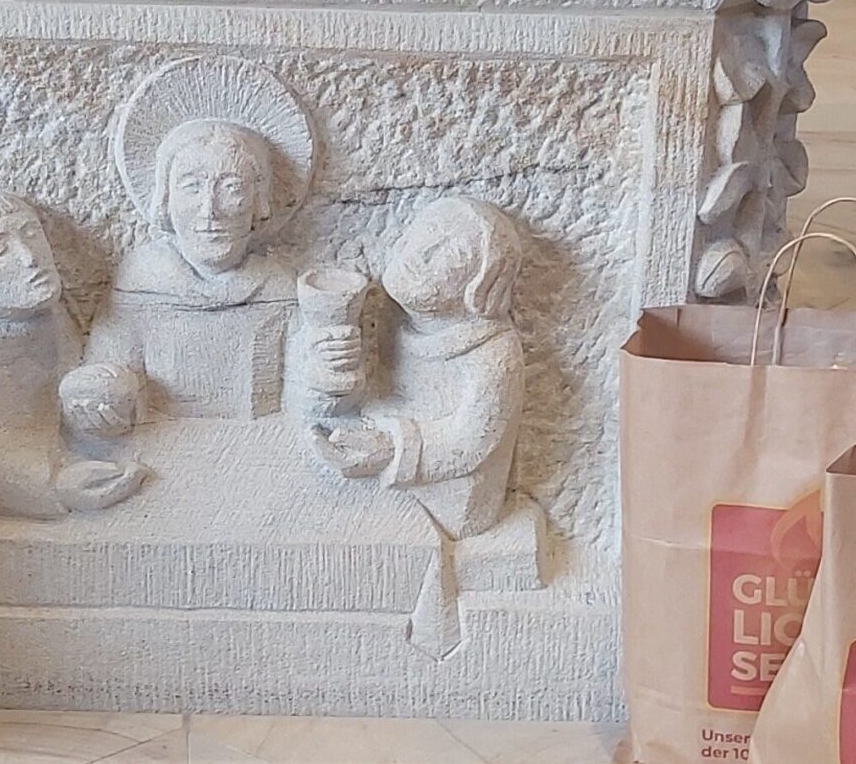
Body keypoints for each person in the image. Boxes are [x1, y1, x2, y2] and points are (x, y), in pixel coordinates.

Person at [0, 188, 146, 521]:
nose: (30, 257)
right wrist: (57, 484)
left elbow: (69, 383)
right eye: (1, 250)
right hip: (0, 497)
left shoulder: (42, 307)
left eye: (31, 233)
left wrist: (97, 408)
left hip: (69, 453)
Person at [308, 197, 526, 538]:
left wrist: (392, 449)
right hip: (377, 459)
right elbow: (369, 390)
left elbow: (471, 441)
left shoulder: (493, 354)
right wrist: (332, 374)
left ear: (481, 286)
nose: (423, 253)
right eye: (429, 231)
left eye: (453, 253)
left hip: (448, 502)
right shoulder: (387, 311)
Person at [71, 119, 299, 428]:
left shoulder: (280, 286)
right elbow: (106, 373)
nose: (209, 211)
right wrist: (94, 400)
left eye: (232, 188)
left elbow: (309, 393)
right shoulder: (141, 280)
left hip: (264, 445)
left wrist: (331, 372)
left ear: (259, 199)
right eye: (192, 187)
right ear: (165, 197)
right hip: (159, 445)